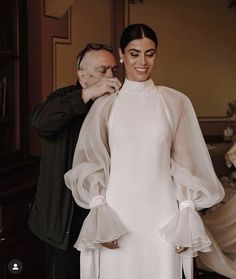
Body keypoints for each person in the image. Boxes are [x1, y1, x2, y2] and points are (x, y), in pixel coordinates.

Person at [64, 24, 225, 279]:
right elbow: (92, 161)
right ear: (121, 54)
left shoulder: (174, 102)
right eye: (134, 53)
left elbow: (184, 163)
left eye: (149, 53)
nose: (142, 61)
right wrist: (101, 217)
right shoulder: (106, 106)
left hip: (162, 216)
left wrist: (185, 215)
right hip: (118, 214)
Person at [28, 43, 121, 279]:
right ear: (83, 75)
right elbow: (40, 122)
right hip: (64, 222)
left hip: (104, 219)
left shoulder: (119, 105)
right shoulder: (62, 98)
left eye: (113, 70)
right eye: (102, 71)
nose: (110, 77)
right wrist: (88, 95)